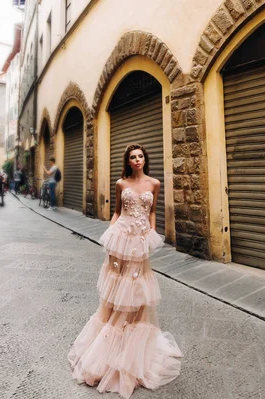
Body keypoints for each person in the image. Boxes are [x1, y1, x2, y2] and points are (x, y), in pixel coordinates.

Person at [68, 144, 182, 398]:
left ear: (145, 159)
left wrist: (151, 234)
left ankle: (134, 343)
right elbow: (117, 212)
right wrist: (110, 241)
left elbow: (152, 212)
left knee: (138, 288)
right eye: (133, 157)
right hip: (122, 238)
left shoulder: (154, 183)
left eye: (141, 156)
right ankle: (111, 346)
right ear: (128, 161)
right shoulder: (121, 183)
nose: (138, 160)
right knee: (118, 289)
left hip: (141, 241)